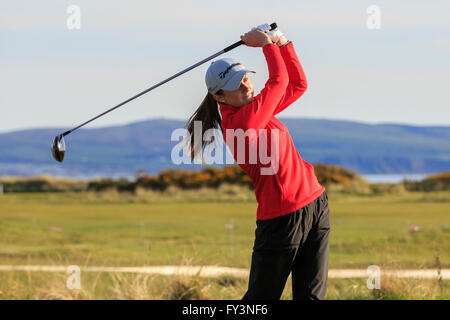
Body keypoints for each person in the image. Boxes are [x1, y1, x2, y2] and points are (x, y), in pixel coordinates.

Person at [185, 25, 330, 300]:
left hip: (316, 204)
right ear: (219, 97)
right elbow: (278, 82)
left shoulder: (257, 109)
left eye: (245, 78)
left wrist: (283, 43)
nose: (245, 85)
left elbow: (297, 85)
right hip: (282, 220)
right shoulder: (240, 124)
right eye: (235, 85)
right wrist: (266, 44)